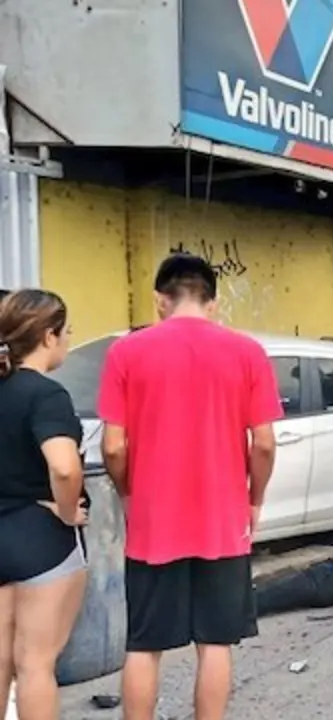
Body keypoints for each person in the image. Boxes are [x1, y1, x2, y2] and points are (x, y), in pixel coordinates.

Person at [98, 253, 283, 720]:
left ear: (160, 300)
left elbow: (114, 446)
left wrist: (128, 493)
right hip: (223, 519)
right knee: (216, 641)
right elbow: (263, 442)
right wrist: (253, 498)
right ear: (213, 303)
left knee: (144, 643)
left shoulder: (126, 352)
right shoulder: (247, 353)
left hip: (153, 522)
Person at [0, 289, 88, 720]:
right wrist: (68, 512)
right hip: (39, 542)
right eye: (66, 331)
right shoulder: (46, 395)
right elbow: (66, 468)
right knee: (35, 664)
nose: (69, 340)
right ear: (48, 337)